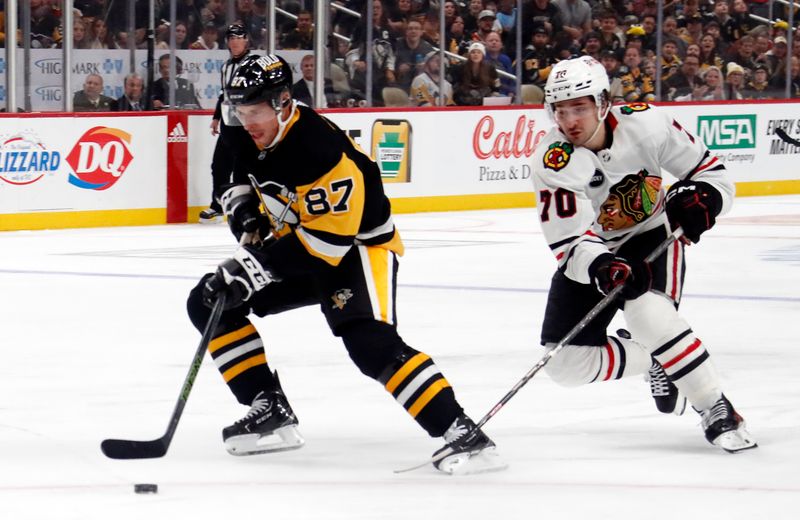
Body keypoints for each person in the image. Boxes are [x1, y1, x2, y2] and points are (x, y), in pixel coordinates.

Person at [185, 54, 505, 475]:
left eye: (255, 110)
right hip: (302, 242)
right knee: (209, 300)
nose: (246, 121)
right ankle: (269, 408)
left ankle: (461, 430)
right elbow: (230, 173)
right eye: (239, 110)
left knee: (369, 343)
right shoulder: (242, 127)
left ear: (283, 102)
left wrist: (252, 268)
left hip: (356, 248)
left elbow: (325, 246)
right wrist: (245, 215)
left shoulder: (319, 149)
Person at [530, 56, 757, 453]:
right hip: (594, 252)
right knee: (564, 365)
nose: (570, 121)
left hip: (650, 233)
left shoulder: (648, 123)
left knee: (649, 315)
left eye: (579, 107)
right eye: (560, 110)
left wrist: (706, 198)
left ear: (603, 102)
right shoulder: (553, 161)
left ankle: (715, 406)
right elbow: (569, 242)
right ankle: (657, 360)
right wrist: (602, 265)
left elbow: (712, 173)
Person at [200, 23, 255, 224]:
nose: (234, 41)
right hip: (229, 123)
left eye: (238, 37)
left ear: (246, 39)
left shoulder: (254, 64)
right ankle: (218, 205)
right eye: (231, 38)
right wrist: (216, 117)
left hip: (247, 125)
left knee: (242, 168)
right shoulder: (226, 67)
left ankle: (242, 207)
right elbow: (224, 94)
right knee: (219, 165)